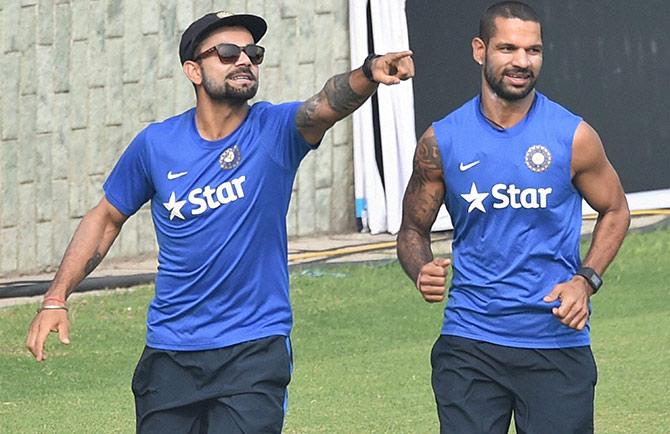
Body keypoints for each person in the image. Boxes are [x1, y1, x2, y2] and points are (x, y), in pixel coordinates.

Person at [25, 11, 414, 433]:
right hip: (170, 353)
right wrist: (55, 298)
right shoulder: (156, 145)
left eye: (253, 52)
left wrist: (370, 72)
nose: (244, 60)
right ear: (193, 70)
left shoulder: (276, 130)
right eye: (228, 53)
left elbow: (326, 104)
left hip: (252, 350)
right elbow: (105, 217)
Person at [397, 2, 630, 433]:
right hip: (470, 342)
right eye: (508, 48)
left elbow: (616, 209)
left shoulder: (574, 136)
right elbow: (413, 229)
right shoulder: (441, 141)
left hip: (556, 343)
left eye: (533, 50)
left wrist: (585, 281)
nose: (522, 62)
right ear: (479, 50)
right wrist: (419, 268)